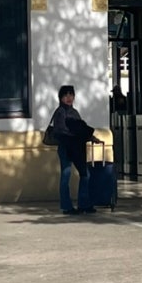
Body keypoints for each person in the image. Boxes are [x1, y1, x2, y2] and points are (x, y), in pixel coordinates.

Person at [48, 84, 102, 216]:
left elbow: (81, 130)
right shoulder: (60, 112)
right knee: (66, 175)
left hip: (77, 148)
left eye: (71, 95)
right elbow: (61, 130)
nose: (69, 98)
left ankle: (84, 204)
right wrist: (76, 133)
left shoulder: (75, 112)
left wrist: (91, 138)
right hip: (66, 147)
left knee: (85, 174)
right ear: (60, 98)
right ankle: (66, 206)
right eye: (65, 95)